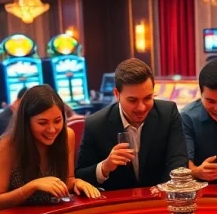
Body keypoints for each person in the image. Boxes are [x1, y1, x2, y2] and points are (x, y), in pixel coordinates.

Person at [76, 58, 188, 190]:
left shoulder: (168, 113)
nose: (141, 107)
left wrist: (165, 187)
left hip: (160, 201)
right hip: (117, 205)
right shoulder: (96, 124)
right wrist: (105, 166)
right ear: (117, 94)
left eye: (147, 98)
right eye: (132, 100)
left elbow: (178, 161)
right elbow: (80, 176)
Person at [0, 85, 100, 210]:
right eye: (42, 123)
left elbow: (68, 181)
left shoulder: (67, 135)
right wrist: (31, 187)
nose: (52, 130)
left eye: (58, 121)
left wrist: (76, 183)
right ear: (26, 121)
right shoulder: (7, 146)